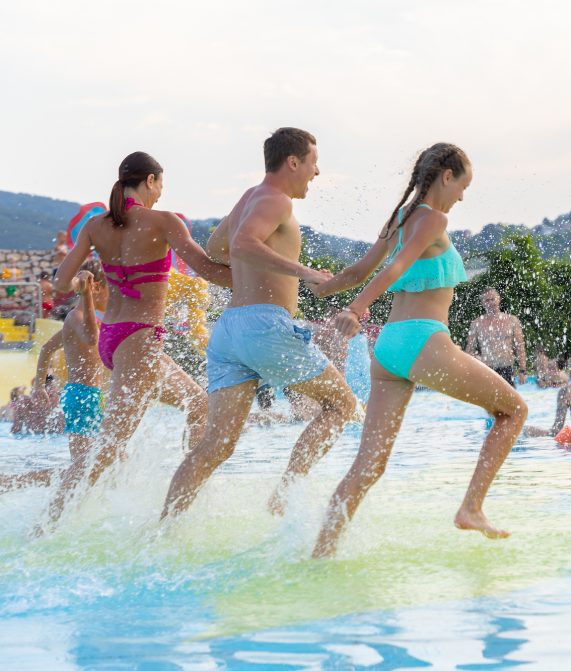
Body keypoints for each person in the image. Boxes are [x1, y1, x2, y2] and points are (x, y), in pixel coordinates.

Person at [308, 143, 528, 558]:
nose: (463, 196)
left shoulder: (400, 217)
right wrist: (356, 308)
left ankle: (321, 552)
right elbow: (394, 268)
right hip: (423, 340)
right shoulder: (432, 218)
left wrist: (325, 287)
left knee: (369, 465)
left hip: (389, 348)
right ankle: (471, 508)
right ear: (447, 176)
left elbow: (359, 270)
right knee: (514, 411)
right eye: (463, 185)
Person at [161, 127, 356, 520]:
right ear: (294, 162)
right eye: (314, 163)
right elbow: (244, 244)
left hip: (230, 327)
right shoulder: (277, 200)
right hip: (264, 327)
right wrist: (304, 273)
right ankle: (281, 500)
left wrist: (254, 276)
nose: (316, 173)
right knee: (342, 405)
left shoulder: (250, 197)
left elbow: (219, 247)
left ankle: (164, 530)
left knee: (215, 445)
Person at [48, 151, 232, 525]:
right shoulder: (162, 222)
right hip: (140, 342)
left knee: (199, 405)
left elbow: (61, 283)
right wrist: (255, 279)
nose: (162, 192)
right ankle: (47, 523)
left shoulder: (96, 226)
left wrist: (84, 281)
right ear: (150, 180)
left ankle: (183, 505)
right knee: (107, 447)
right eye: (160, 184)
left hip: (114, 339)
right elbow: (205, 269)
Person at [2, 262, 109, 495]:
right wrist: (87, 294)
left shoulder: (82, 318)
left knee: (98, 463)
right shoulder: (77, 316)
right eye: (112, 290)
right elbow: (91, 338)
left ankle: (13, 481)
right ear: (97, 288)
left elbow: (47, 349)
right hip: (82, 396)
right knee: (82, 467)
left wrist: (40, 385)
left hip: (89, 396)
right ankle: (12, 482)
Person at [465, 288, 527, 386]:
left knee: (508, 400)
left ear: (499, 299)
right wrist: (470, 369)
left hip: (507, 369)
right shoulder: (476, 323)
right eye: (487, 300)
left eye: (492, 299)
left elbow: (520, 346)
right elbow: (469, 349)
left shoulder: (512, 320)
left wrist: (523, 370)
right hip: (487, 370)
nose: (490, 303)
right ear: (482, 303)